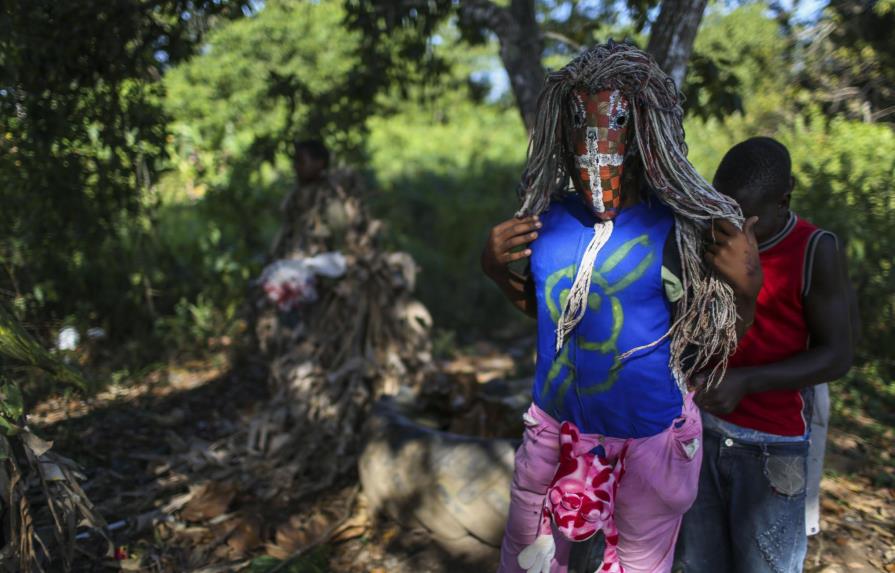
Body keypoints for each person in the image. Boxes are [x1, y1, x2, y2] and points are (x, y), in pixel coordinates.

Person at [481, 42, 762, 573]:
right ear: (562, 135)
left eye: (612, 136)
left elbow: (706, 351)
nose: (596, 154)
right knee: (526, 563)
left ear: (644, 138)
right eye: (582, 136)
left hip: (649, 446)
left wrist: (745, 290)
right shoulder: (549, 219)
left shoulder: (680, 230)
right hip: (553, 434)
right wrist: (496, 270)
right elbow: (556, 321)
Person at [676, 137, 856, 573]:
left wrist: (747, 380)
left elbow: (838, 355)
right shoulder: (710, 241)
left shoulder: (816, 250)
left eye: (748, 217)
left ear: (784, 199)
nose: (734, 227)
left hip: (773, 448)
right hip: (704, 436)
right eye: (725, 211)